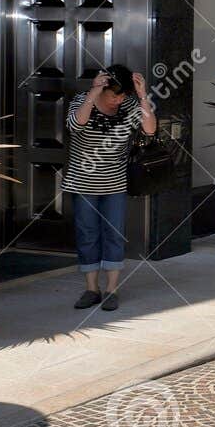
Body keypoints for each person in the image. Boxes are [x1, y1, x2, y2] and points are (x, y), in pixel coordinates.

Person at [66, 64, 155, 312]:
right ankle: (91, 289)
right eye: (114, 95)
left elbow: (149, 129)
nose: (118, 100)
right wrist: (93, 93)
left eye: (123, 95)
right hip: (83, 182)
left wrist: (141, 95)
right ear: (102, 88)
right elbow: (76, 125)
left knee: (114, 234)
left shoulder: (127, 106)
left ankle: (111, 289)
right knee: (87, 234)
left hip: (114, 183)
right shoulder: (82, 101)